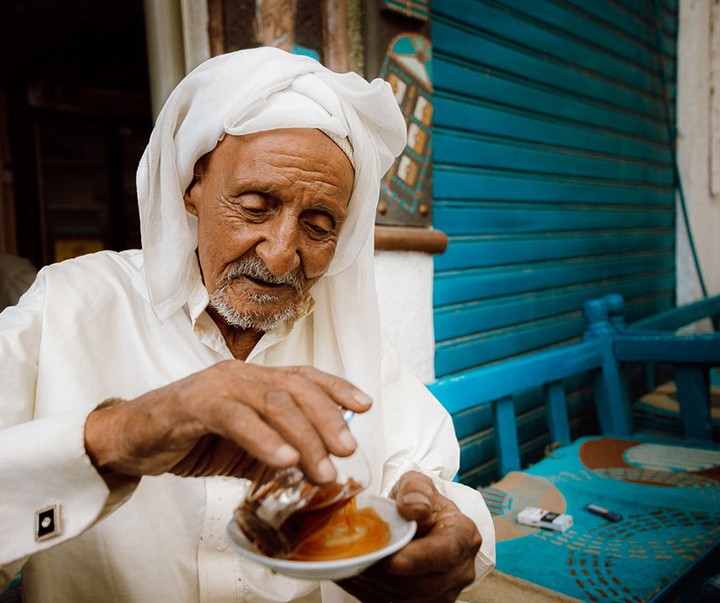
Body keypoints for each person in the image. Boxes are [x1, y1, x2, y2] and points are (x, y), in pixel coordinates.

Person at [0, 47, 495, 602]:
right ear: (193, 186)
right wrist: (114, 436)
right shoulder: (69, 306)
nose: (283, 255)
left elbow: (423, 472)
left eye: (318, 224)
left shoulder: (352, 342)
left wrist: (436, 524)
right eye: (256, 205)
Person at [254, 0, 320, 60]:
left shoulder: (310, 60)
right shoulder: (253, 65)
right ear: (258, 31)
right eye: (269, 22)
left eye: (285, 12)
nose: (279, 32)